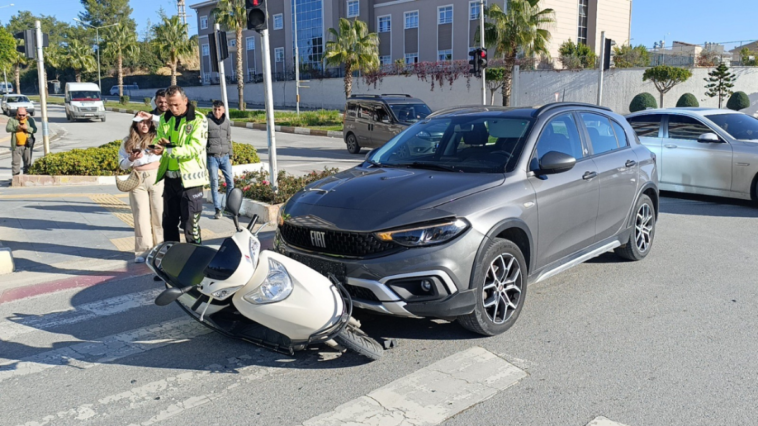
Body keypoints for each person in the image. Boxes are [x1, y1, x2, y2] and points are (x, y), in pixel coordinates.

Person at [151, 85, 209, 244]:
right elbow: (160, 139)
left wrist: (169, 149)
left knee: (190, 225)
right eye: (169, 105)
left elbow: (196, 147)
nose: (173, 108)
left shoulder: (198, 119)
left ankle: (195, 258)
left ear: (185, 101)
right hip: (170, 179)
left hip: (190, 181)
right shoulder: (165, 118)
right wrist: (157, 147)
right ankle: (172, 256)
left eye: (176, 104)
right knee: (168, 222)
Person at [118, 112, 164, 263]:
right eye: (141, 122)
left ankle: (162, 248)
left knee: (160, 213)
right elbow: (122, 164)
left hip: (157, 176)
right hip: (138, 179)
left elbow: (166, 122)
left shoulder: (158, 137)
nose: (145, 125)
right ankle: (143, 251)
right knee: (140, 215)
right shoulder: (128, 141)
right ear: (135, 124)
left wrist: (152, 116)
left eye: (147, 122)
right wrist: (131, 158)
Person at [206, 100, 234, 219]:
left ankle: (229, 207)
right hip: (212, 157)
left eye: (219, 109)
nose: (217, 112)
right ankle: (217, 209)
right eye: (215, 109)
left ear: (223, 110)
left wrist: (231, 155)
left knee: (230, 182)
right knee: (214, 183)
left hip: (225, 157)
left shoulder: (226, 122)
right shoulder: (207, 121)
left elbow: (229, 138)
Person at [5, 107, 37, 176]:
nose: (21, 116)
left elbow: (35, 129)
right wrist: (17, 127)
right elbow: (8, 129)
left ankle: (26, 178)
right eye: (19, 115)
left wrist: (27, 128)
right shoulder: (12, 120)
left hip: (27, 145)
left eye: (23, 115)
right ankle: (16, 178)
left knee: (27, 163)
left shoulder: (30, 120)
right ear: (17, 113)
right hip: (16, 145)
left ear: (26, 114)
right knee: (15, 163)